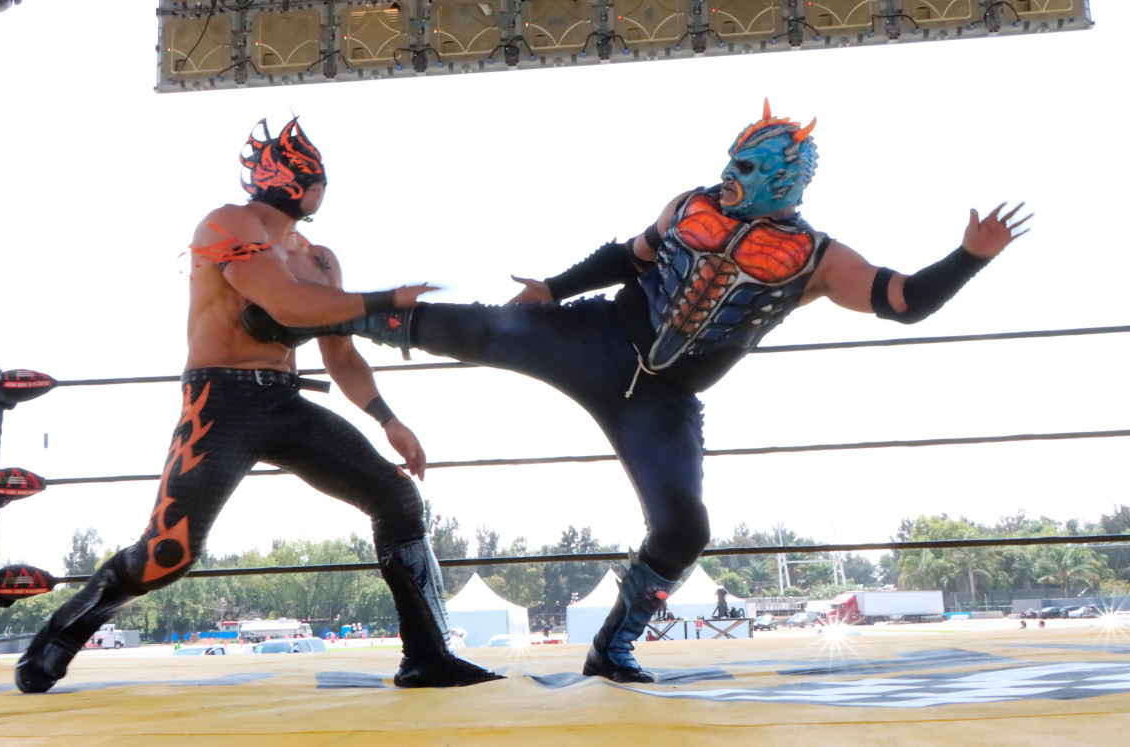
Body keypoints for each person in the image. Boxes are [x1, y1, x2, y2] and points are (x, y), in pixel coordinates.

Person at [239, 101, 1031, 684]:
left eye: (747, 169)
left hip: (664, 400)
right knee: (485, 329)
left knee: (684, 525)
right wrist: (554, 285)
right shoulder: (692, 203)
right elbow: (630, 254)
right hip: (601, 339)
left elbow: (903, 300)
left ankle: (613, 643)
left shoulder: (820, 258)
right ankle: (335, 321)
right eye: (730, 160)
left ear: (785, 177)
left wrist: (969, 255)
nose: (730, 176)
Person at [14, 116, 502, 693]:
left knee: (396, 497)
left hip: (286, 403)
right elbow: (289, 306)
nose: (317, 183)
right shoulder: (227, 223)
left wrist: (389, 420)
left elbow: (341, 356)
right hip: (220, 399)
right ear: (297, 181)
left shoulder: (319, 259)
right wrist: (386, 301)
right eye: (309, 172)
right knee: (169, 550)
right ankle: (58, 636)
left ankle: (427, 656)